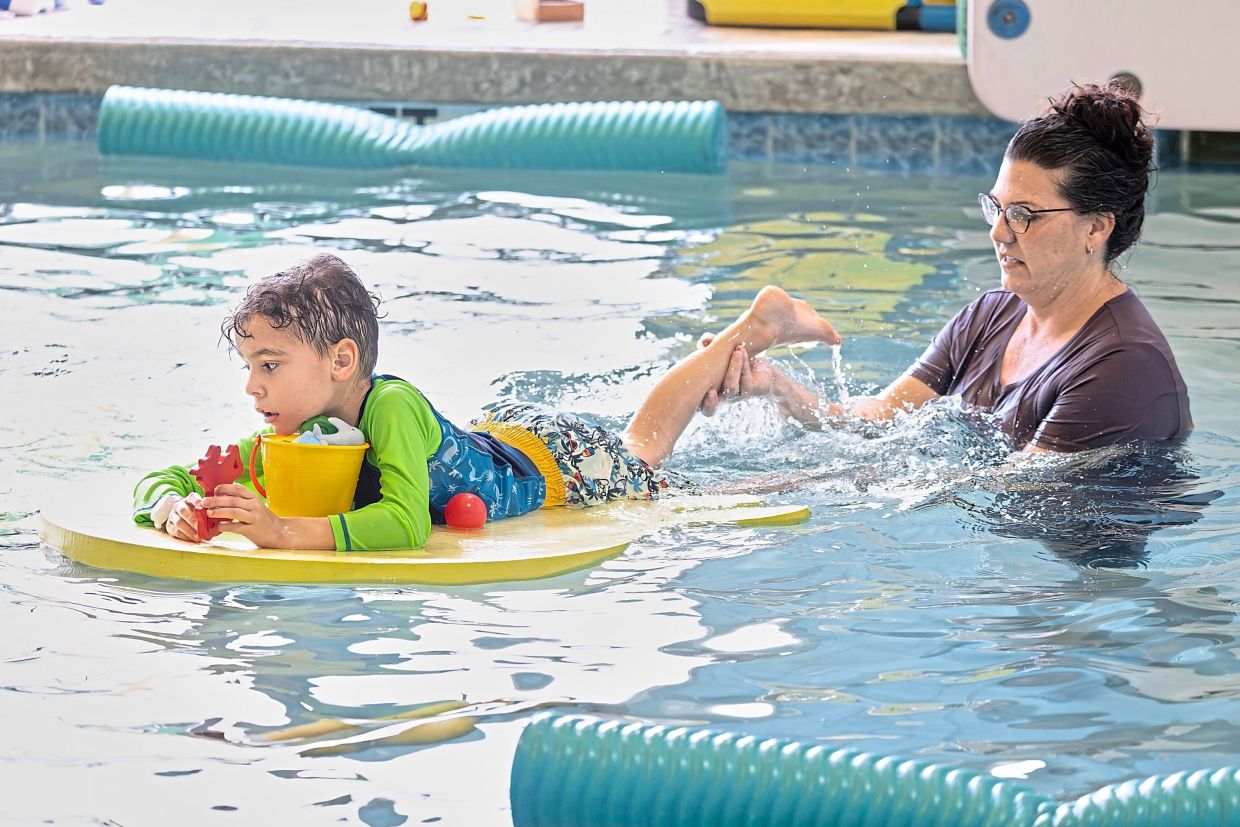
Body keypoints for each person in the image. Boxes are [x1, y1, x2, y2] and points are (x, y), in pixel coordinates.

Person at [132, 254, 839, 551]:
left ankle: (758, 333)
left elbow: (406, 523)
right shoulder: (298, 434)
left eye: (269, 364)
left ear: (341, 360)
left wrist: (284, 531)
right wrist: (175, 507)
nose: (251, 386)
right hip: (505, 440)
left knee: (656, 459)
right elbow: (178, 476)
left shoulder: (389, 408)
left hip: (559, 466)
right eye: (250, 365)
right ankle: (759, 358)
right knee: (644, 439)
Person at [698, 81, 1192, 453]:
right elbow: (879, 420)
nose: (999, 233)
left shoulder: (1124, 364)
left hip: (1077, 580)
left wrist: (771, 492)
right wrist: (775, 388)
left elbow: (1014, 495)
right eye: (996, 208)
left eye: (1024, 215)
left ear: (1096, 228)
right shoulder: (990, 315)